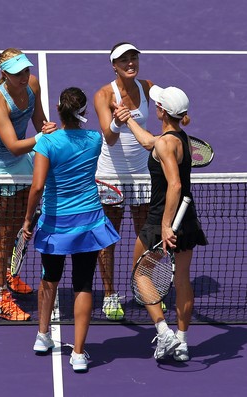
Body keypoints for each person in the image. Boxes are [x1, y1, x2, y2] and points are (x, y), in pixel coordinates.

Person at [22, 87, 120, 372]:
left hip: (56, 224)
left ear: (58, 109)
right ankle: (78, 353)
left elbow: (38, 186)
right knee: (83, 285)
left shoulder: (48, 142)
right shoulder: (94, 139)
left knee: (49, 278)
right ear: (84, 112)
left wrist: (28, 220)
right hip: (88, 223)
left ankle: (42, 336)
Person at [114, 85, 208, 361]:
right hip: (188, 219)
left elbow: (175, 185)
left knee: (140, 273)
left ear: (162, 111)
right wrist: (128, 118)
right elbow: (149, 143)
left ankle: (163, 330)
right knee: (182, 279)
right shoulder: (180, 138)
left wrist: (166, 225)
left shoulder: (166, 143)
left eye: (157, 104)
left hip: (161, 219)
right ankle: (182, 343)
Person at [0, 48, 57, 321]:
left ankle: (8, 274)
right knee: (2, 233)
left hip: (19, 163)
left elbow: (38, 120)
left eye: (26, 70)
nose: (24, 76)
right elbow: (14, 146)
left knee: (23, 222)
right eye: (17, 72)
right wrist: (43, 139)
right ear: (4, 74)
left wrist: (52, 135)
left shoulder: (31, 84)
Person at [94, 42, 155, 321]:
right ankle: (109, 294)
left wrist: (182, 114)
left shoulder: (148, 86)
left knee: (145, 235)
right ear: (114, 66)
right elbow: (109, 136)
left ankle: (143, 289)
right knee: (109, 237)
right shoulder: (104, 94)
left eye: (134, 58)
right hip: (111, 175)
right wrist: (119, 120)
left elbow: (171, 107)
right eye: (124, 60)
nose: (131, 63)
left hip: (142, 174)